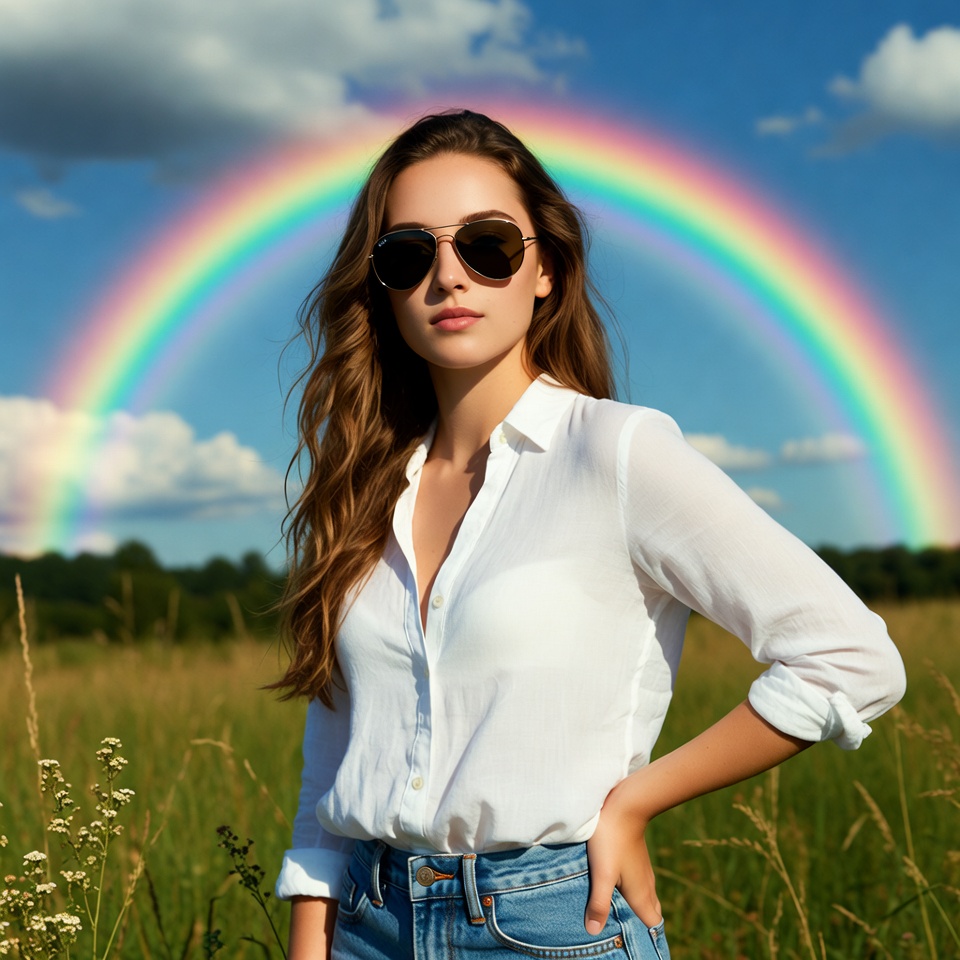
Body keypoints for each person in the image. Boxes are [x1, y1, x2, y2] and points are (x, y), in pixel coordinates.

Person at [272, 109, 906, 960]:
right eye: (409, 254)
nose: (448, 277)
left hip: (549, 923)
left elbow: (851, 657)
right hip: (367, 922)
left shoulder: (618, 451)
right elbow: (337, 755)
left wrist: (637, 800)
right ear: (380, 288)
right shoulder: (362, 491)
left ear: (546, 271)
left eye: (487, 245)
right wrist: (310, 940)